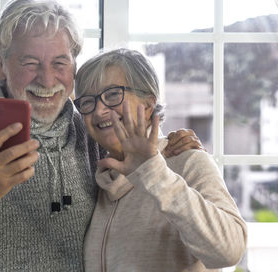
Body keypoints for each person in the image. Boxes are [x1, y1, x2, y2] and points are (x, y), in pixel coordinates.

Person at [0, 1, 204, 271]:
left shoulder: (94, 136)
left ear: (73, 66)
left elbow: (141, 171)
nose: (47, 79)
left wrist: (169, 149)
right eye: (30, 63)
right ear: (1, 65)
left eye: (60, 63)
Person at [73, 48, 247, 272]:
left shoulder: (186, 160)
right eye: (88, 102)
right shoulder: (102, 181)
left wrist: (152, 172)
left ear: (148, 104)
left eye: (113, 95)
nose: (99, 111)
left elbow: (230, 251)